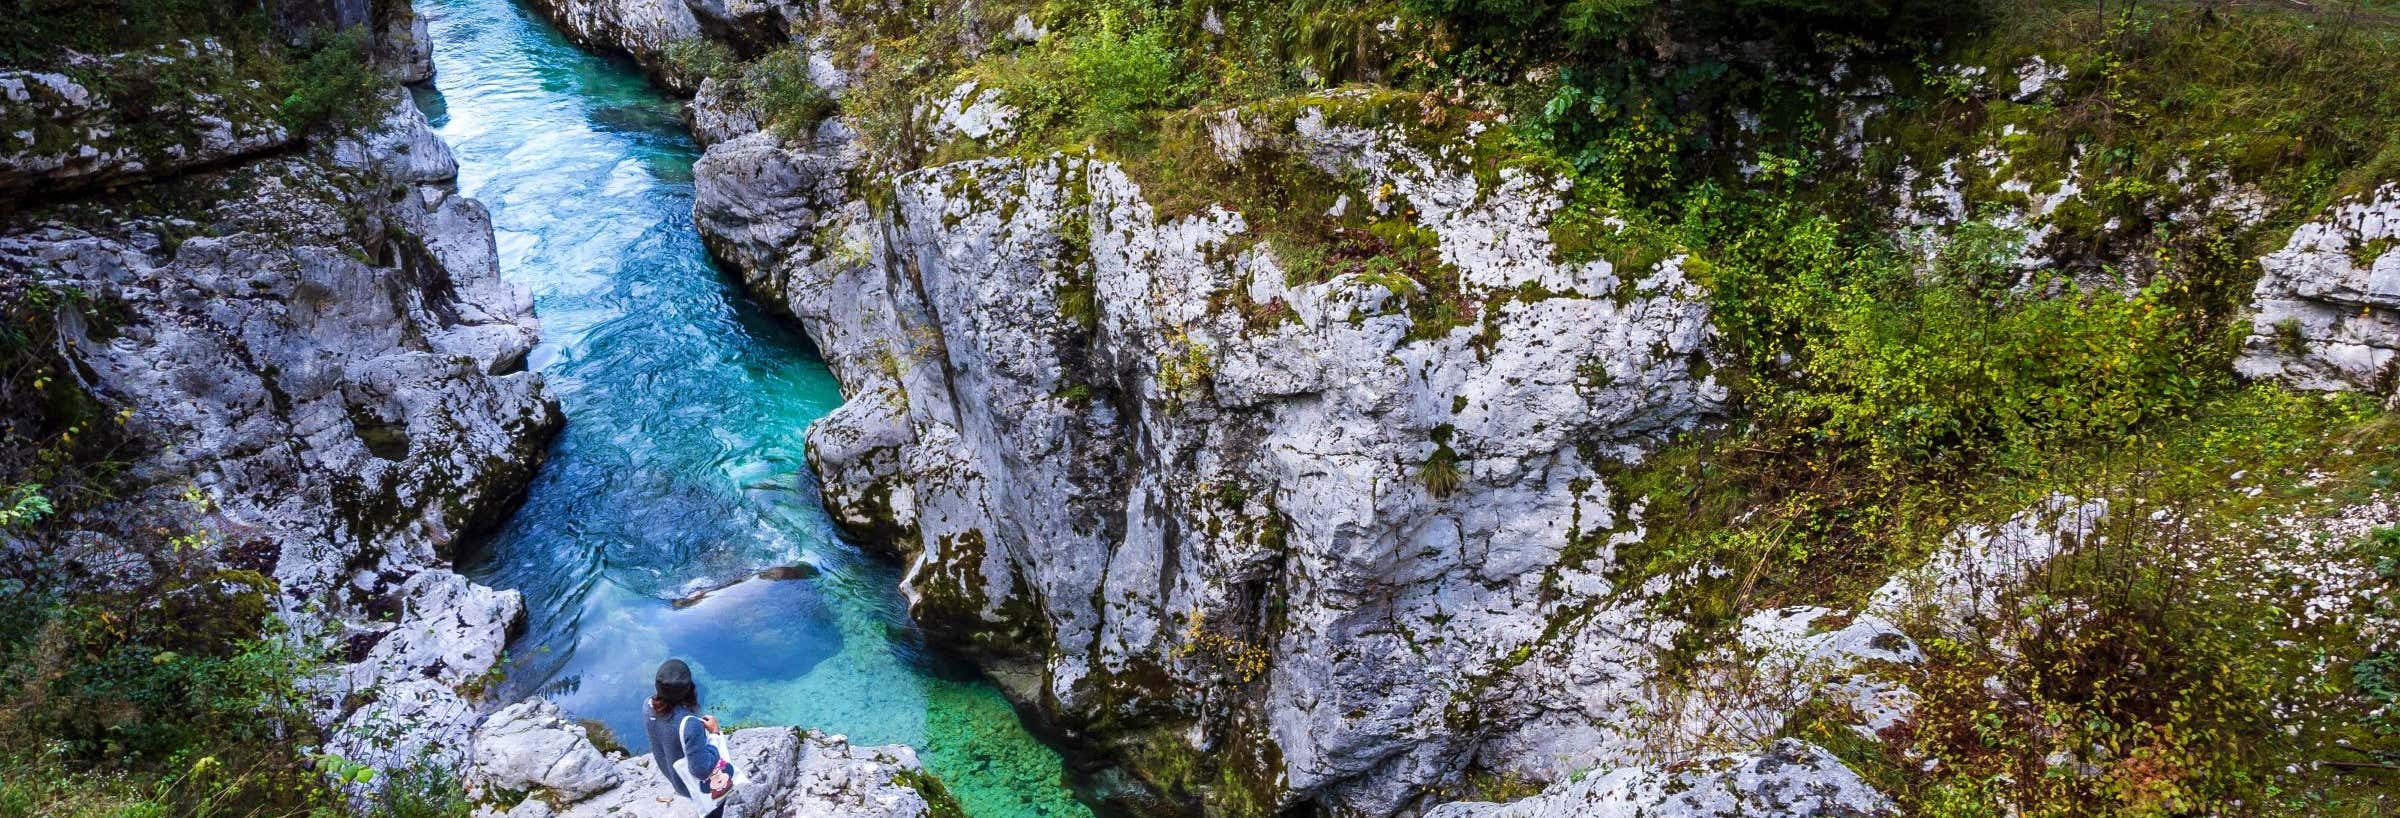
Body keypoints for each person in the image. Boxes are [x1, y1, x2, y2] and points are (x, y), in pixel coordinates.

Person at [643, 659, 733, 816]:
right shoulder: (690, 724)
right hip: (691, 784)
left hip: (673, 776)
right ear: (689, 689)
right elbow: (701, 770)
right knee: (713, 808)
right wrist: (714, 734)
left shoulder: (648, 706)